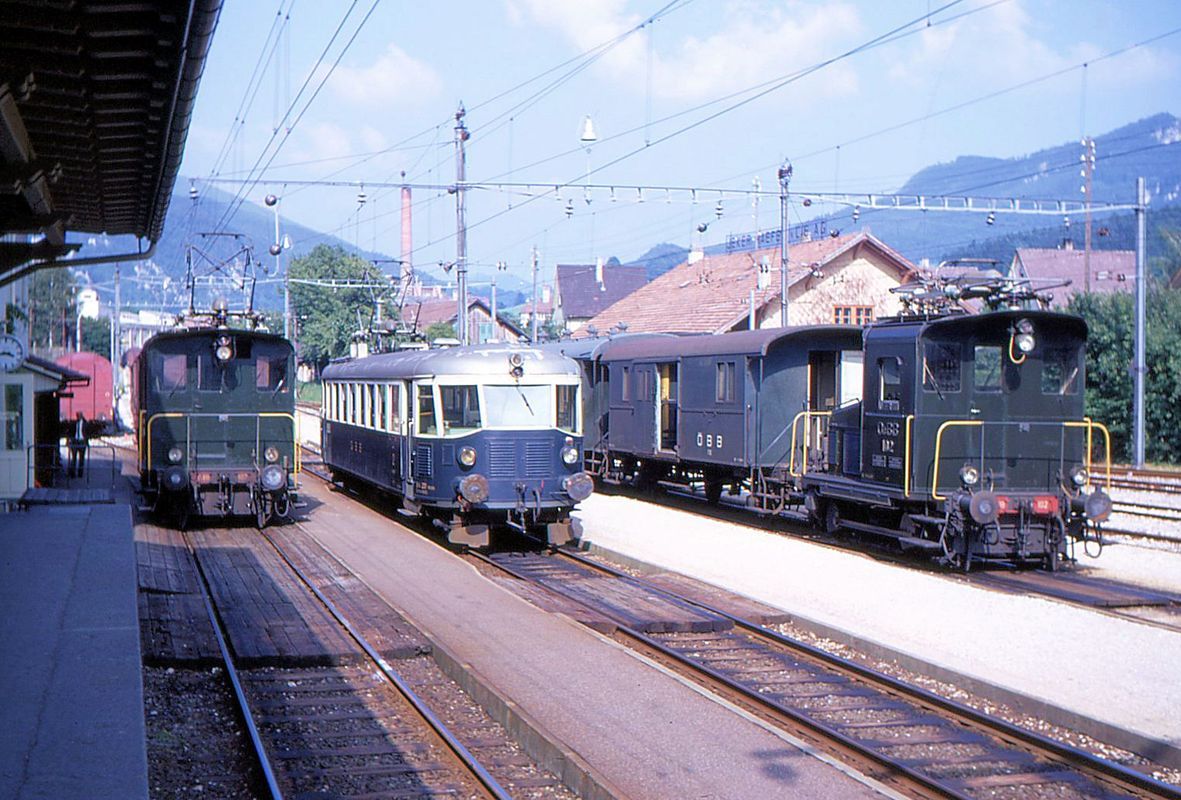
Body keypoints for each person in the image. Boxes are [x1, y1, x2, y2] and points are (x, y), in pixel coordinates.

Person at [67, 412, 87, 478]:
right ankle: (73, 474)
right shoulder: (74, 423)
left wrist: (86, 441)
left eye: (79, 416)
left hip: (82, 442)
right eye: (77, 416)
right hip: (75, 442)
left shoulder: (85, 424)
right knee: (74, 458)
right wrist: (69, 440)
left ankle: (80, 474)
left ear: (81, 416)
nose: (78, 417)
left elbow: (88, 432)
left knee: (81, 459)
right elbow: (70, 432)